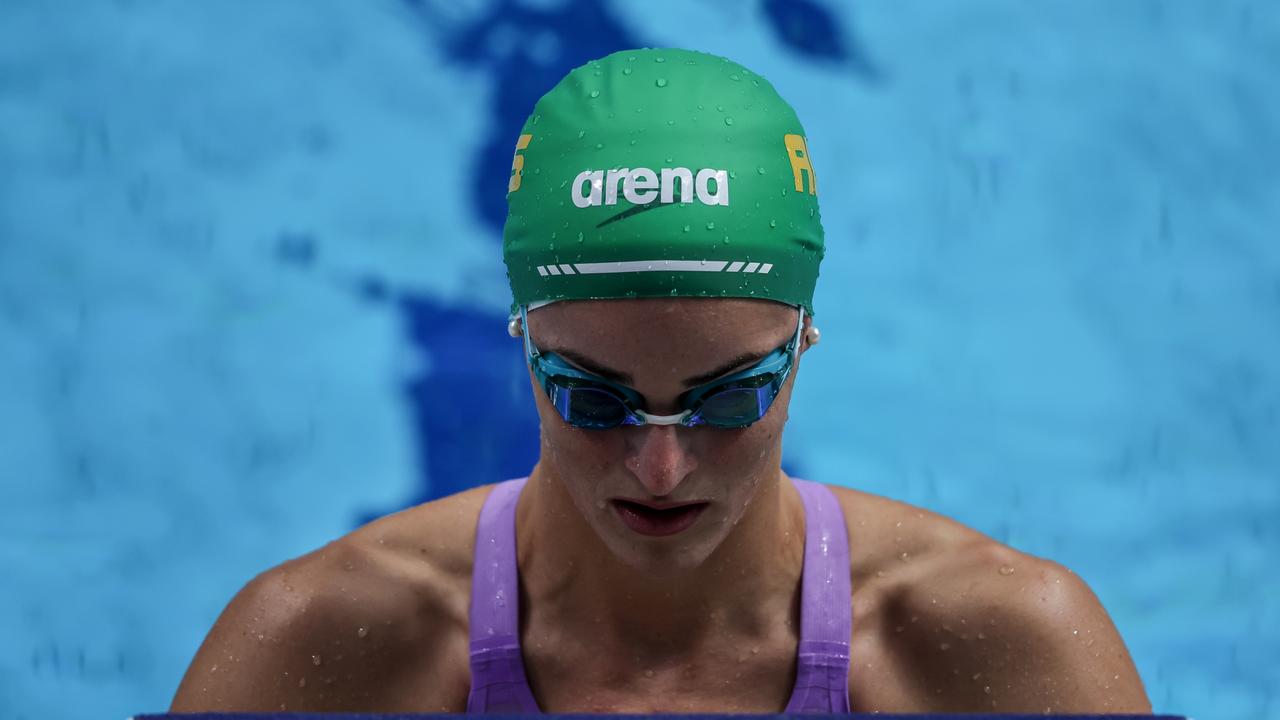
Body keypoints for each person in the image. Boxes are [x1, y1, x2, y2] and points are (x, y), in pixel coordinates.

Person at [170, 48, 1152, 714]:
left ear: (804, 341)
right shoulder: (318, 650)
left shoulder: (1000, 654)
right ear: (520, 341)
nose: (659, 464)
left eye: (729, 397)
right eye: (590, 398)